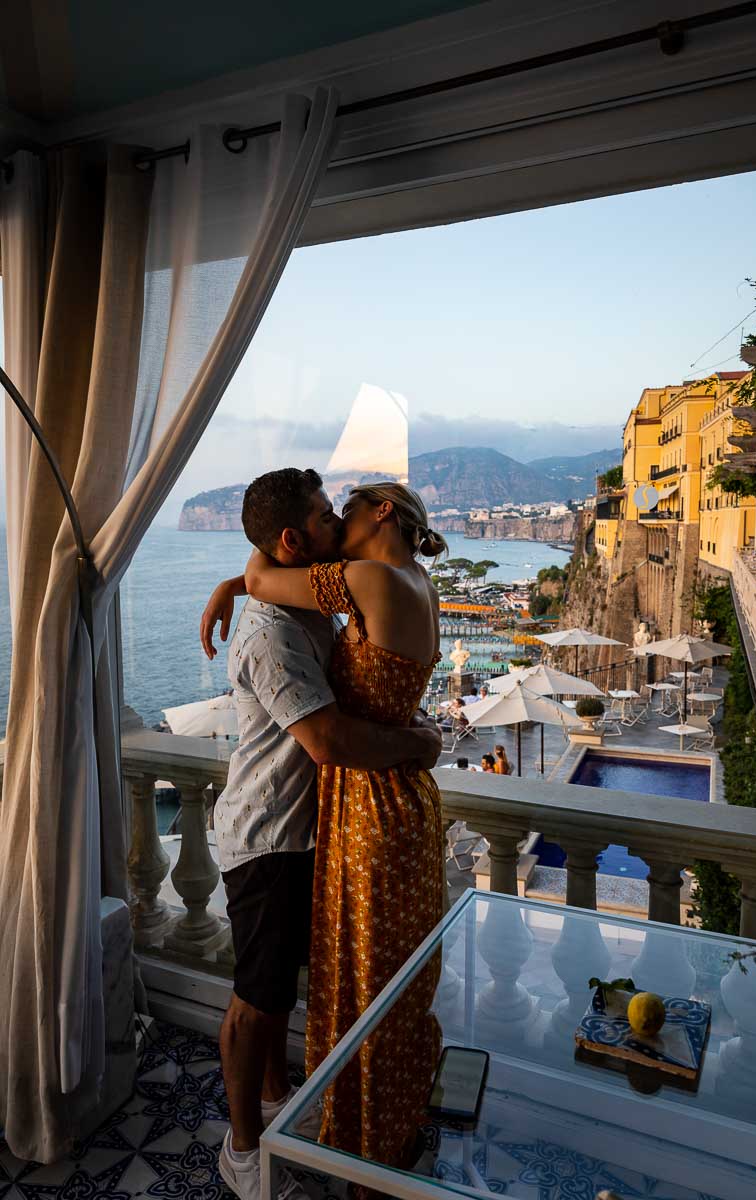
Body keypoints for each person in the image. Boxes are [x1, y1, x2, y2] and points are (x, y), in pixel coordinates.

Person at [199, 470, 442, 1200]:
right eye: (325, 514)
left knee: (357, 988)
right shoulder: (318, 609)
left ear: (383, 512)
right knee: (263, 997)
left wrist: (237, 581)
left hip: (351, 821)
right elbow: (329, 740)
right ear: (293, 540)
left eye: (347, 507)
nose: (338, 519)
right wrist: (418, 745)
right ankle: (247, 1146)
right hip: (278, 832)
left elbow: (267, 574)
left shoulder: (358, 585)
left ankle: (321, 1122)